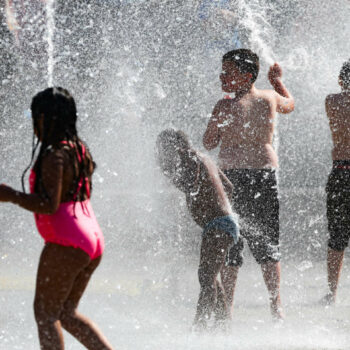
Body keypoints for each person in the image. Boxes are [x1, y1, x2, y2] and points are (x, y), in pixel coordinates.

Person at [0, 87, 114, 350]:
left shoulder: (55, 155)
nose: (33, 124)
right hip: (92, 239)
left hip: (67, 241)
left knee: (45, 314)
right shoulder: (78, 149)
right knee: (66, 313)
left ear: (47, 118)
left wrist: (10, 195)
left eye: (35, 117)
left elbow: (49, 206)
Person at [203, 48, 294, 320]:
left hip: (232, 180)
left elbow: (209, 142)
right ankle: (276, 309)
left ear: (244, 75)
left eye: (227, 72)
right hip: (263, 177)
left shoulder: (224, 106)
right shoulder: (269, 98)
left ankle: (228, 309)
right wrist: (277, 81)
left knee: (232, 243)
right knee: (267, 244)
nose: (221, 76)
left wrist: (218, 121)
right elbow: (290, 104)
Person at [156, 129, 239, 331]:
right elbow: (229, 187)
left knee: (206, 278)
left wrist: (166, 170)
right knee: (210, 277)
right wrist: (222, 207)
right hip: (220, 223)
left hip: (219, 225)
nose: (163, 153)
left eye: (164, 149)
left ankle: (198, 331)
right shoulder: (203, 158)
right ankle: (223, 325)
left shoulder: (190, 158)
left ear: (177, 146)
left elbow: (189, 185)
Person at [322, 60, 350, 305]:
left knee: (337, 236)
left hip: (341, 170)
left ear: (341, 81)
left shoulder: (332, 101)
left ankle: (332, 293)